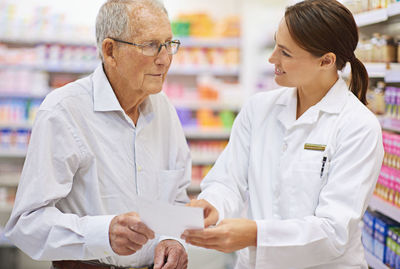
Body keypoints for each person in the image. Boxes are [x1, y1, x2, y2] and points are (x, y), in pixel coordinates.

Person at [182, 0, 384, 268]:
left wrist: (256, 234)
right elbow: (227, 180)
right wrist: (213, 203)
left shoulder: (358, 126)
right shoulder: (259, 109)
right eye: (276, 44)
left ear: (326, 61)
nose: (272, 58)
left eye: (285, 53)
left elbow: (333, 231)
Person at [5, 1, 190, 269]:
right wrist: (102, 233)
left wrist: (174, 239)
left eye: (169, 44)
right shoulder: (64, 111)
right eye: (150, 45)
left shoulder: (164, 111)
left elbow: (177, 199)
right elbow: (27, 223)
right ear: (110, 50)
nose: (164, 59)